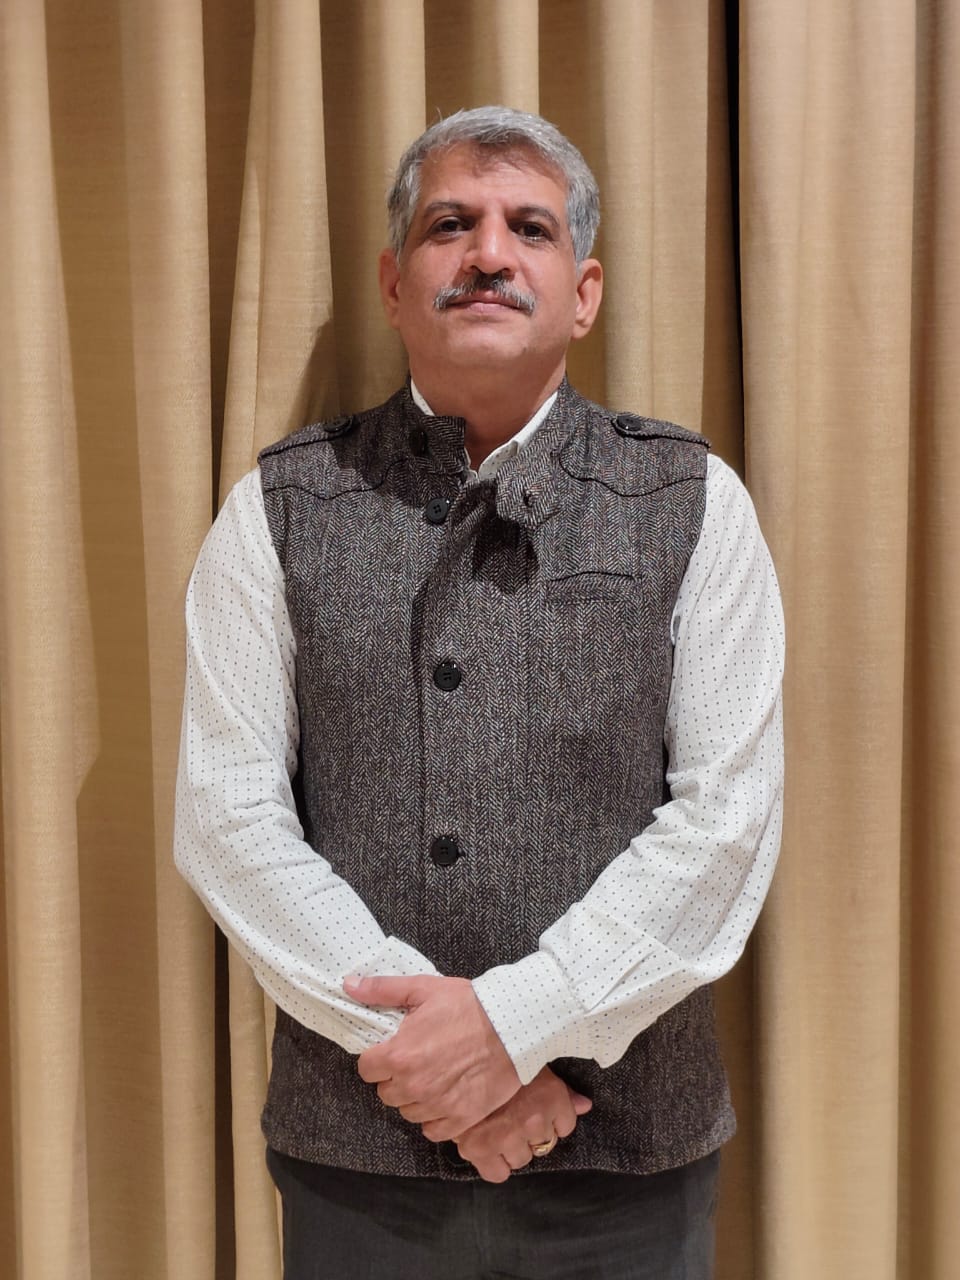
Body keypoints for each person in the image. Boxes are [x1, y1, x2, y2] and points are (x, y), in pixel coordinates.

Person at [175, 105, 784, 1279]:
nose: (490, 253)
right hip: (362, 1163)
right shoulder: (277, 507)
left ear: (585, 292)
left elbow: (727, 823)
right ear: (395, 283)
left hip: (627, 1160)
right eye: (451, 225)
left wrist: (516, 1023)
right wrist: (439, 1062)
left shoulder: (694, 500)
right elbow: (227, 817)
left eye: (530, 229)